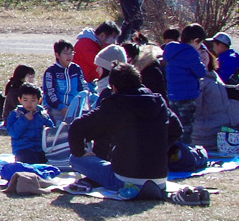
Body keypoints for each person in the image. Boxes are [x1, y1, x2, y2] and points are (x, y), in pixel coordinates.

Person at [67, 65, 183, 197]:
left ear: (114, 87)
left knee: (75, 159)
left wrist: (81, 151)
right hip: (159, 179)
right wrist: (159, 147)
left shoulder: (116, 103)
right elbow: (177, 129)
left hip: (125, 178)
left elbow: (77, 127)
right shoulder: (158, 102)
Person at [163, 24, 211, 135]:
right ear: (196, 40)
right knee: (186, 128)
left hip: (172, 94)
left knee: (175, 126)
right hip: (187, 96)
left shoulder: (172, 50)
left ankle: (174, 149)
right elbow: (200, 72)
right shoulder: (191, 53)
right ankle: (185, 150)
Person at [5, 83, 54, 165]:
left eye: (33, 100)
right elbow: (13, 133)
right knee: (29, 162)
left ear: (39, 101)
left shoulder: (42, 114)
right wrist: (24, 119)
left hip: (39, 148)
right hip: (22, 149)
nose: (29, 103)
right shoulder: (16, 114)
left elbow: (51, 129)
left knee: (46, 163)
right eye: (25, 100)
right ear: (20, 100)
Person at [41, 40, 86, 119]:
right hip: (55, 108)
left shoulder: (76, 69)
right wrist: (61, 107)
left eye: (71, 53)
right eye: (65, 53)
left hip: (73, 107)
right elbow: (49, 93)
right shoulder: (51, 71)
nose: (69, 56)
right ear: (57, 55)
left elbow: (83, 88)